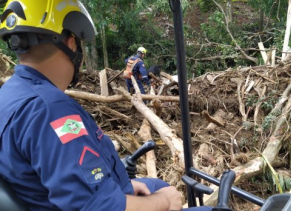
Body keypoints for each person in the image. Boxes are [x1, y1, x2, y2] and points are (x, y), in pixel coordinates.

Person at [0, 0, 212, 210]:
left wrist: (120, 184)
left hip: (41, 197)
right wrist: (165, 201)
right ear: (71, 43)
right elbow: (99, 206)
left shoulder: (10, 93)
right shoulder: (52, 111)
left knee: (156, 184)